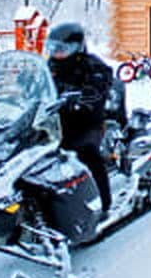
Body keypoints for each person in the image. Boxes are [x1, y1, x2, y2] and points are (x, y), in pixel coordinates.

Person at [45, 22, 114, 215]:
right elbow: (32, 84)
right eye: (52, 48)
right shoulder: (48, 67)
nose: (56, 54)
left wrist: (84, 96)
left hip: (85, 122)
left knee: (87, 154)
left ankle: (102, 202)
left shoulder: (93, 66)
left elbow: (101, 84)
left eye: (61, 49)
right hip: (52, 123)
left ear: (77, 48)